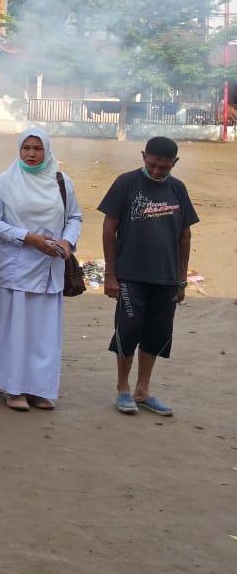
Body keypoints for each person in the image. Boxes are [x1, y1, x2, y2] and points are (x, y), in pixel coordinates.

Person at [0, 128, 83, 411]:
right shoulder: (3, 182)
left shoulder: (62, 181)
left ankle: (38, 388)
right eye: (26, 148)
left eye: (37, 149)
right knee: (15, 330)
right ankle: (13, 388)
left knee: (43, 333)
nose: (32, 154)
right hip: (16, 267)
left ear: (46, 151)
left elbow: (74, 217)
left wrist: (67, 241)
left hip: (50, 269)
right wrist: (28, 238)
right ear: (19, 150)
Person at [98, 135, 198, 417]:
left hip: (166, 278)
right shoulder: (126, 183)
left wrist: (181, 280)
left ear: (174, 163)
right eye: (152, 164)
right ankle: (123, 389)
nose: (156, 171)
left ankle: (143, 390)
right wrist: (110, 275)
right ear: (144, 156)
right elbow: (109, 229)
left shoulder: (178, 189)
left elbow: (185, 235)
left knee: (156, 333)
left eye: (164, 168)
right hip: (130, 276)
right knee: (128, 330)